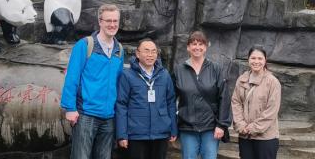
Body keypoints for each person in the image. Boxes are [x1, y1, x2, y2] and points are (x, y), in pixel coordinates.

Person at [60, 4, 124, 159]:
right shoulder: (85, 45)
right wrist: (70, 108)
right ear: (100, 21)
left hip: (108, 116)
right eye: (108, 20)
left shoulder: (119, 50)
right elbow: (72, 77)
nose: (112, 24)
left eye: (115, 21)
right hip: (86, 114)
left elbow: (118, 83)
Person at [173, 30, 231, 159]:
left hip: (210, 127)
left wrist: (221, 125)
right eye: (194, 44)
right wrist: (172, 125)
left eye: (201, 44)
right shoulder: (179, 70)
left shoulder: (216, 69)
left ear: (206, 47)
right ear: (188, 47)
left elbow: (224, 98)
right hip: (187, 127)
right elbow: (171, 99)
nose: (197, 47)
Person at [116, 39, 177, 159]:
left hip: (160, 132)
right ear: (138, 54)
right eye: (146, 51)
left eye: (153, 51)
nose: (150, 55)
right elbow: (121, 105)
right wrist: (122, 135)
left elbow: (171, 102)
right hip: (136, 134)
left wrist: (173, 129)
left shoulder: (164, 75)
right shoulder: (127, 75)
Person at [231, 46, 281, 159]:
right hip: (245, 136)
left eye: (260, 58)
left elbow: (271, 111)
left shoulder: (273, 82)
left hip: (266, 137)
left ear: (265, 60)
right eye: (253, 58)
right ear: (248, 59)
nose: (256, 61)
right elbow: (236, 103)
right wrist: (241, 125)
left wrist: (252, 128)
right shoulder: (242, 79)